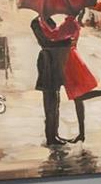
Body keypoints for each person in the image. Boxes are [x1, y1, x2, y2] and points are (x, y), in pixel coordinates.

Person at [37, 9, 101, 143]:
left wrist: (42, 24)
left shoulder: (69, 24)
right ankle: (81, 134)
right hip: (72, 58)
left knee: (78, 96)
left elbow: (54, 36)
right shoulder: (74, 23)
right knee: (78, 99)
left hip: (69, 62)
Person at [31, 13, 73, 147]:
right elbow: (46, 42)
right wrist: (66, 41)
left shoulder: (49, 21)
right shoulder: (36, 23)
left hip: (56, 63)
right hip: (47, 62)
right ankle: (50, 136)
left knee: (55, 99)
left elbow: (55, 37)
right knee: (49, 100)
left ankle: (54, 133)